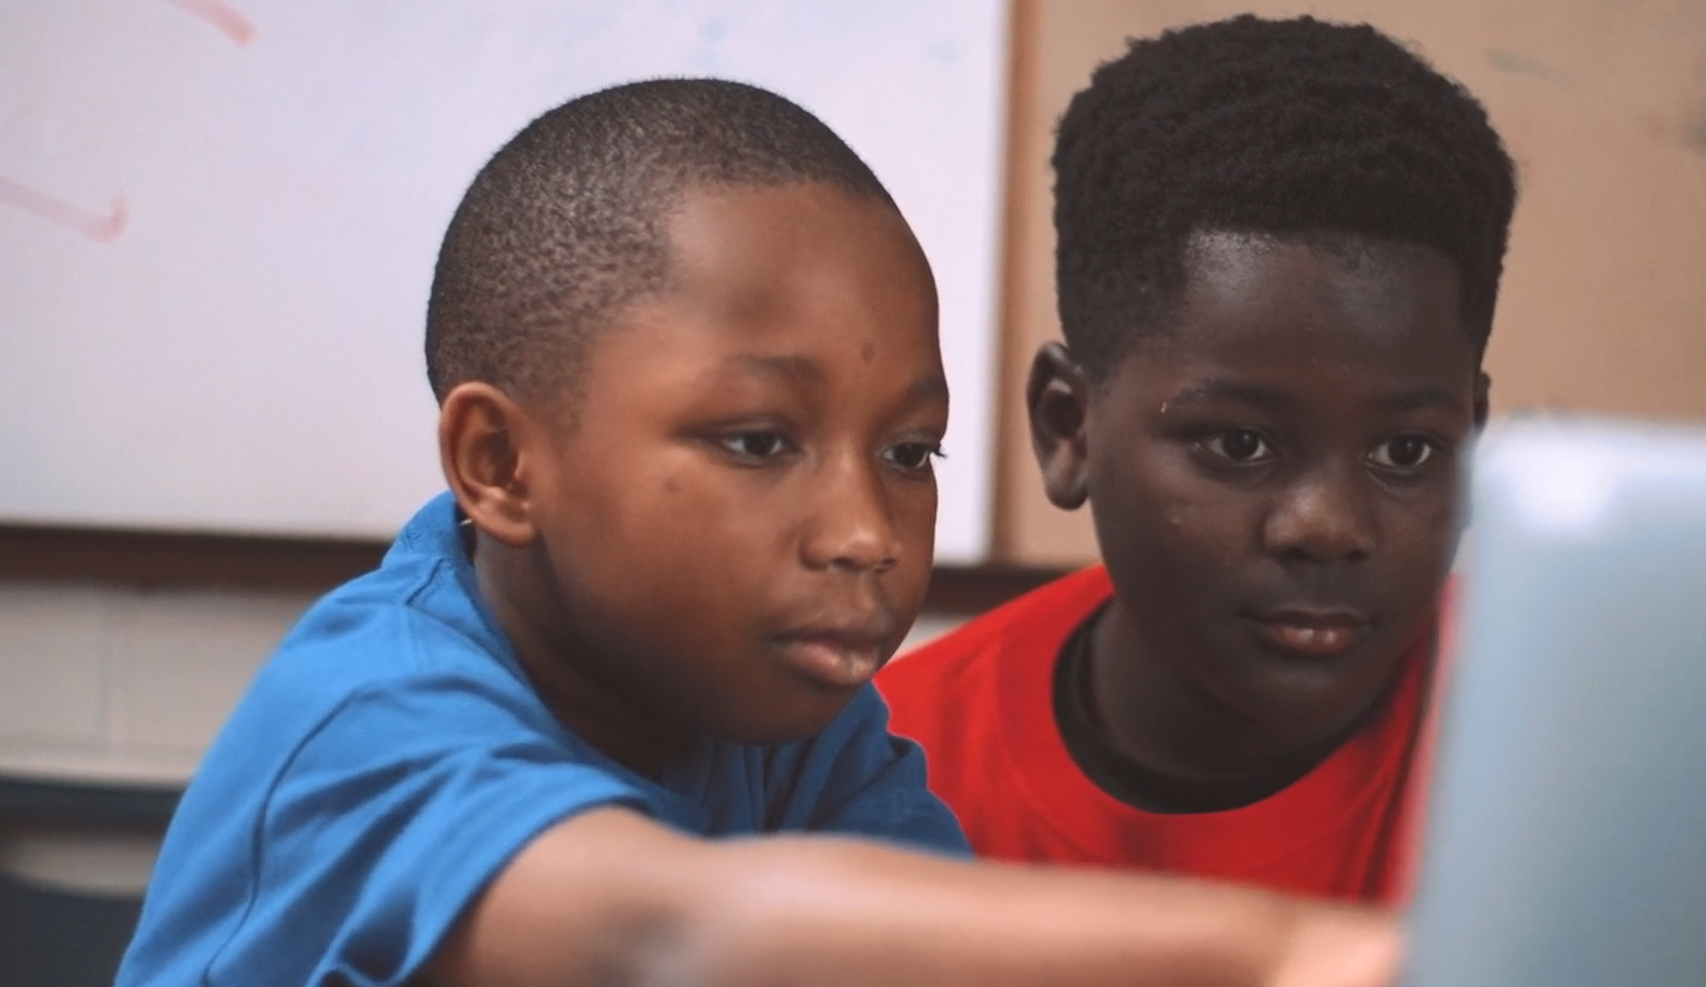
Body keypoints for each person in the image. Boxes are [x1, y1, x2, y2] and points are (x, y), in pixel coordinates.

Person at [114, 78, 1400, 987]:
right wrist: (1286, 955)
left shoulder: (798, 730)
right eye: (757, 442)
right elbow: (663, 945)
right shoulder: (369, 722)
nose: (864, 535)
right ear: (501, 465)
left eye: (908, 455)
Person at [879, 14, 1518, 905]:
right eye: (1239, 444)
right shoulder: (879, 776)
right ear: (1069, 428)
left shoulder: (1557, 748)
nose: (1328, 526)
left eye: (1405, 450)